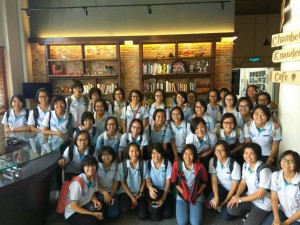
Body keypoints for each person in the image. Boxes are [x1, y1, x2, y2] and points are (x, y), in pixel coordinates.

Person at [227, 142, 273, 225]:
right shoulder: (245, 165)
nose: (248, 156)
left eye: (252, 153)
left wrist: (240, 199)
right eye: (246, 153)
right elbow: (243, 183)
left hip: (263, 202)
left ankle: (265, 215)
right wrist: (236, 195)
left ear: (257, 155)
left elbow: (260, 194)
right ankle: (252, 213)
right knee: (231, 209)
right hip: (250, 196)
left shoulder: (264, 170)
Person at [171, 144, 208, 225]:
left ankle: (195, 205)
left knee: (195, 223)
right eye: (185, 153)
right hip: (182, 194)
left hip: (196, 194)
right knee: (182, 222)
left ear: (194, 156)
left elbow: (205, 182)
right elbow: (173, 181)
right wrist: (183, 192)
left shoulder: (200, 167)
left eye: (191, 154)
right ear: (183, 154)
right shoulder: (177, 165)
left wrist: (196, 193)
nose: (188, 156)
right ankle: (186, 206)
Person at [262, 150, 300, 225]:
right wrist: (276, 218)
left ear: (297, 164)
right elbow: (274, 198)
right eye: (284, 160)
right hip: (282, 211)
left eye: (290, 161)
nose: (286, 163)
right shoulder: (276, 175)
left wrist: (286, 223)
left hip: (297, 217)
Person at [206, 140, 241, 221]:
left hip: (232, 190)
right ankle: (220, 204)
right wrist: (216, 196)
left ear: (227, 151)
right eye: (217, 150)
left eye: (222, 150)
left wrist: (225, 201)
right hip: (221, 187)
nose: (219, 153)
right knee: (211, 202)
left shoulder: (234, 165)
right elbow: (214, 181)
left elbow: (234, 187)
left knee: (226, 216)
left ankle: (225, 205)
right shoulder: (213, 161)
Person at [64, 155, 103, 225]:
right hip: (72, 212)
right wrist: (92, 214)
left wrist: (95, 200)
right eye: (87, 166)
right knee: (93, 222)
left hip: (84, 205)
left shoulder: (93, 177)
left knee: (102, 211)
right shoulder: (77, 183)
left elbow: (91, 191)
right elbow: (74, 206)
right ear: (83, 167)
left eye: (93, 165)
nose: (91, 168)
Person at [116, 142, 148, 220]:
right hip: (126, 192)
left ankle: (136, 205)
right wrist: (132, 197)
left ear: (139, 152)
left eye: (136, 151)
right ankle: (132, 203)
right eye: (131, 151)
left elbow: (144, 179)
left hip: (139, 192)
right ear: (128, 152)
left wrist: (140, 193)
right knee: (124, 209)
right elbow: (122, 183)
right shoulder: (122, 165)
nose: (134, 153)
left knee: (143, 216)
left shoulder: (143, 163)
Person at [146, 143, 173, 221]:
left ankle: (155, 207)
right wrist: (150, 188)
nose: (156, 155)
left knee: (167, 215)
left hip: (165, 191)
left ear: (162, 153)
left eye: (158, 153)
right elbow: (147, 180)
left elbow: (168, 183)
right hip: (153, 190)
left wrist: (163, 198)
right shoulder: (148, 163)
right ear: (151, 154)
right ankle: (155, 210)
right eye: (153, 153)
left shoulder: (167, 163)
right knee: (155, 193)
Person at [96, 146, 119, 218]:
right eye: (104, 155)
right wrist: (105, 193)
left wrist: (111, 195)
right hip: (100, 192)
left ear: (113, 155)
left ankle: (107, 207)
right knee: (100, 206)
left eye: (109, 154)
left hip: (113, 192)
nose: (107, 157)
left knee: (113, 214)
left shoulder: (116, 166)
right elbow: (94, 182)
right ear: (100, 156)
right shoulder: (97, 165)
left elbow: (116, 182)